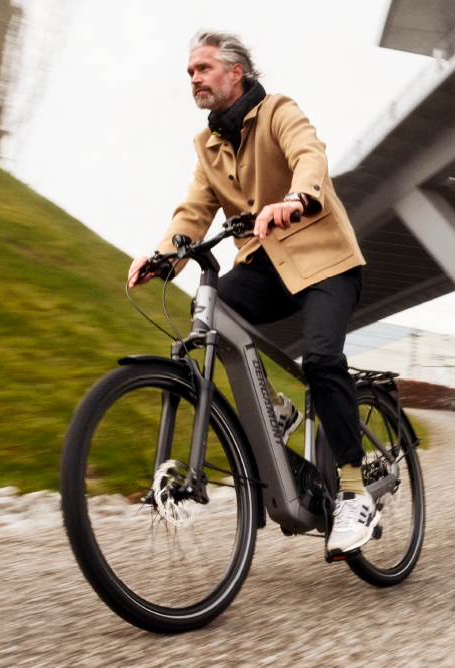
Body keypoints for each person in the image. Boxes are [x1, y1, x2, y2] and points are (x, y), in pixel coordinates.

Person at [128, 30, 374, 556]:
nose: (193, 78)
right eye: (189, 72)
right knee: (210, 314)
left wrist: (295, 198)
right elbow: (193, 211)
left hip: (324, 260)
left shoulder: (279, 110)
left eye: (203, 68)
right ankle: (275, 408)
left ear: (235, 72)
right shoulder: (208, 145)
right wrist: (162, 256)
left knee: (323, 358)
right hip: (265, 265)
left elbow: (310, 155)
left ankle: (353, 490)